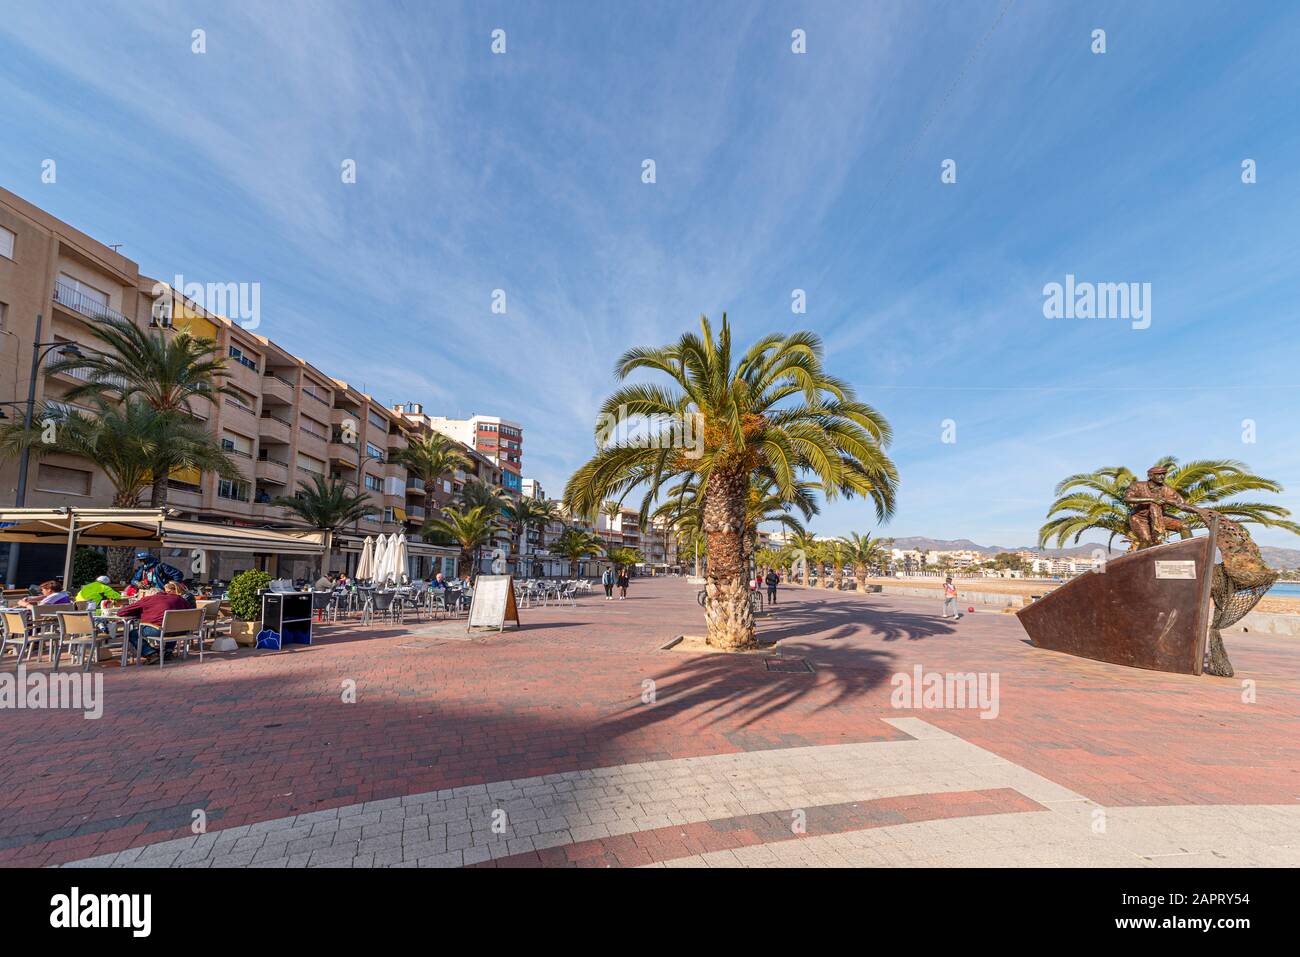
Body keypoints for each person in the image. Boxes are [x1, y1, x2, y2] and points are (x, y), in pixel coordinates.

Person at [117, 582, 192, 662]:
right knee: (172, 624)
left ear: (149, 594)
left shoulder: (147, 599)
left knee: (133, 634)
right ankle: (168, 651)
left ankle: (150, 653)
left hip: (159, 630)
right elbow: (189, 610)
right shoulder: (178, 598)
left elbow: (121, 612)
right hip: (181, 630)